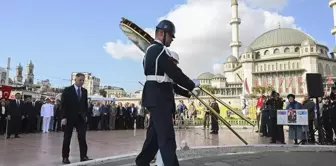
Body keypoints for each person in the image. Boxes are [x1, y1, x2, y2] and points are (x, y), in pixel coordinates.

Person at [135, 20, 197, 166]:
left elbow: (169, 82)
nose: (171, 40)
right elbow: (174, 72)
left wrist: (188, 92)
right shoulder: (159, 50)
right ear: (162, 34)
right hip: (159, 99)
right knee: (167, 138)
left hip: (157, 97)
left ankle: (142, 162)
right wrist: (191, 85)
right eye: (170, 37)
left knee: (154, 137)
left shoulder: (151, 51)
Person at [61, 73, 92, 164]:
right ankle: (65, 157)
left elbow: (85, 105)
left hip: (81, 118)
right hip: (69, 117)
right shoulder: (67, 90)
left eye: (83, 80)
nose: (82, 82)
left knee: (82, 137)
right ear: (75, 79)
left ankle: (83, 156)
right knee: (67, 138)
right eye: (80, 80)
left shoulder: (85, 91)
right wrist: (63, 117)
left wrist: (85, 115)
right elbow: (63, 104)